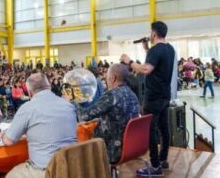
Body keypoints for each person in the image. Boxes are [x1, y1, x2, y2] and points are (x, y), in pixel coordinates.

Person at [121, 21, 175, 176]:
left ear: (154, 33)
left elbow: (146, 69)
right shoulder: (169, 49)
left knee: (151, 131)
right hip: (165, 95)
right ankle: (163, 160)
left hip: (154, 97)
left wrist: (129, 62)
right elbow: (156, 63)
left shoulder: (156, 50)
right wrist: (146, 49)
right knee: (164, 128)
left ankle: (155, 166)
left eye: (150, 32)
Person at [2, 73, 77, 178]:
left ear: (29, 91)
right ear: (49, 86)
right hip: (72, 166)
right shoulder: (69, 106)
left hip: (47, 171)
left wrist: (3, 134)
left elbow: (8, 141)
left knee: (11, 175)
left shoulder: (28, 108)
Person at [74, 64, 139, 163]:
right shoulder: (132, 94)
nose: (106, 80)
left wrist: (73, 100)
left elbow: (83, 116)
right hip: (131, 145)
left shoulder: (112, 95)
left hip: (112, 148)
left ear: (113, 78)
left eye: (107, 77)